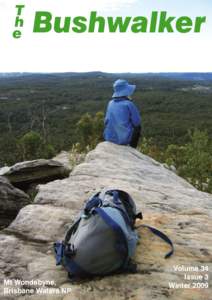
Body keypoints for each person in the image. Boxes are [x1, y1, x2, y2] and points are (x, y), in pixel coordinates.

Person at [104, 79, 141, 148]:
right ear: (126, 91)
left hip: (109, 137)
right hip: (123, 140)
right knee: (138, 128)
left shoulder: (110, 103)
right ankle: (132, 148)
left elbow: (106, 121)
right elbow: (137, 122)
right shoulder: (129, 104)